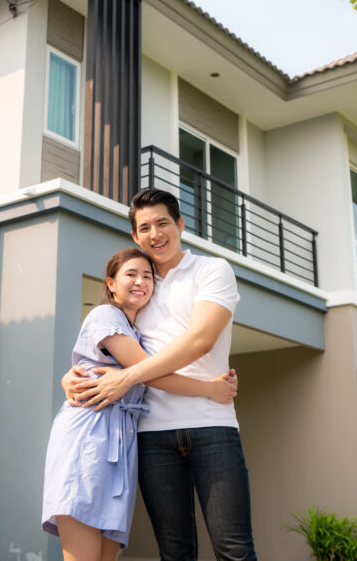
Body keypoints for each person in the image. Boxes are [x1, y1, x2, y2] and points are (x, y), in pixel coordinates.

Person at [65, 189, 258, 560]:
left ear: (180, 225)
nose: (155, 233)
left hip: (213, 427)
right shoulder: (139, 287)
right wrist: (70, 377)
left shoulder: (211, 270)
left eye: (162, 223)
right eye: (145, 227)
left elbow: (200, 340)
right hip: (152, 435)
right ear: (135, 237)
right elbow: (107, 343)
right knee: (174, 552)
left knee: (234, 549)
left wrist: (128, 377)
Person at [42, 247, 238, 561]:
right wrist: (209, 389)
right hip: (89, 439)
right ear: (110, 283)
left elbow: (139, 372)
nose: (140, 281)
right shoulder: (105, 315)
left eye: (147, 276)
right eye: (130, 274)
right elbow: (149, 374)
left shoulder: (135, 328)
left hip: (119, 447)